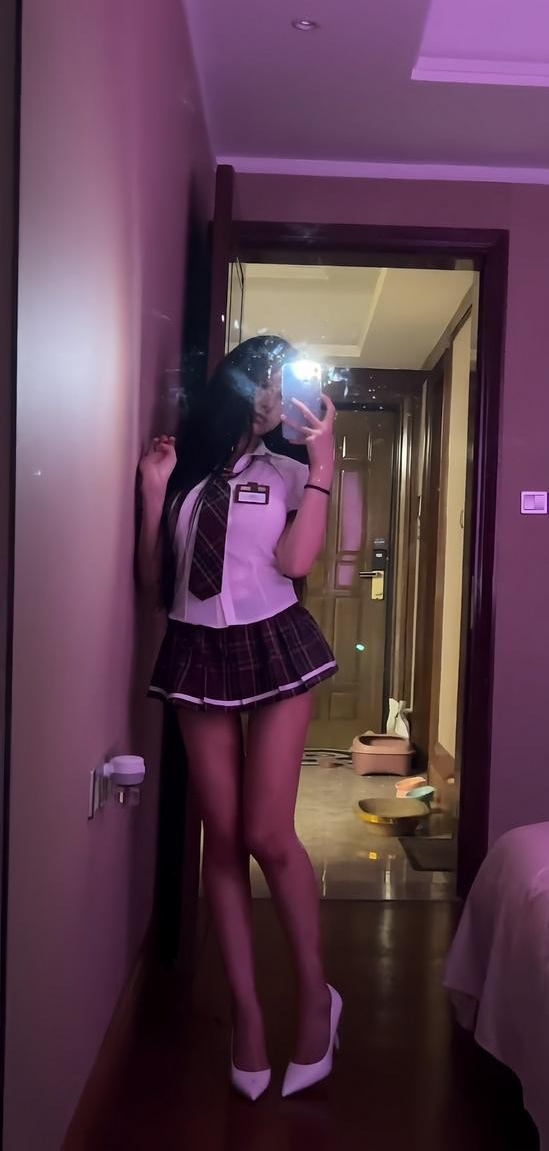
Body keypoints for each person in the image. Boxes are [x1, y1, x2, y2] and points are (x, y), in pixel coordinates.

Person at [137, 335, 341, 1101]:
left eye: (283, 385)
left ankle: (317, 998)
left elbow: (296, 564)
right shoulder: (187, 473)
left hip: (274, 645)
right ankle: (248, 1015)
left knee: (266, 834)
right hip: (197, 649)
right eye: (263, 381)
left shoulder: (289, 472)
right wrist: (155, 493)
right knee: (219, 839)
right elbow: (154, 582)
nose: (273, 397)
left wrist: (323, 465)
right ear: (235, 386)